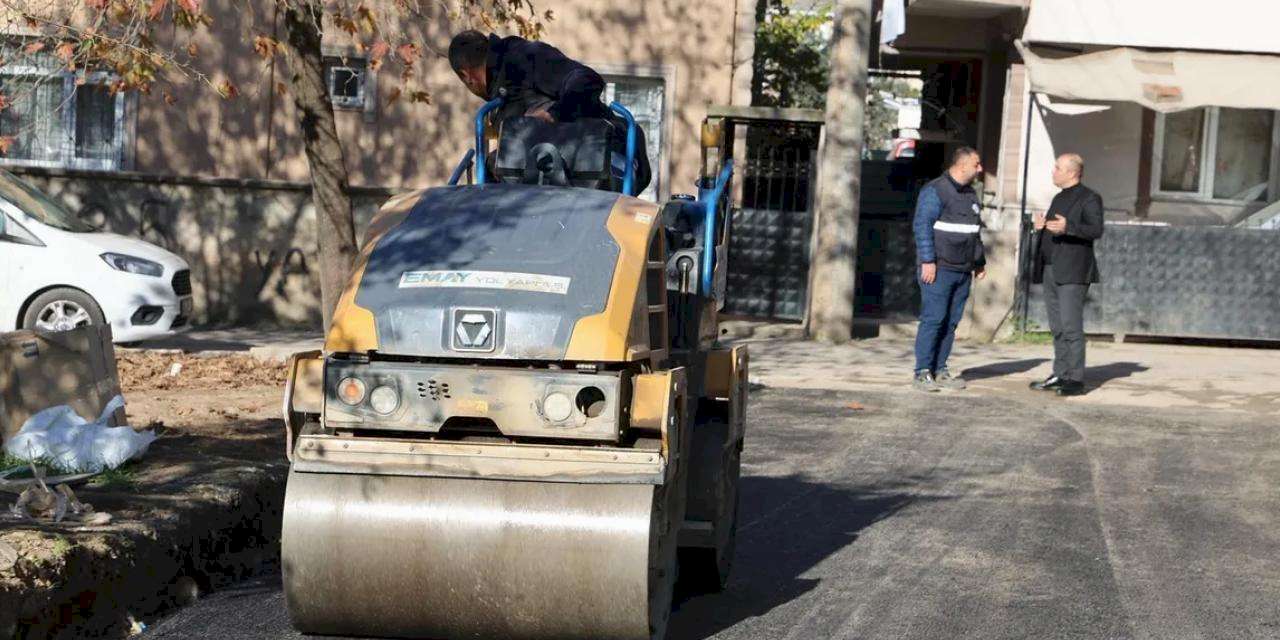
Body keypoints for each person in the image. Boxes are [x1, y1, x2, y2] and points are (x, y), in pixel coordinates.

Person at [447, 30, 650, 194]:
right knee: (494, 165)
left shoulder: (524, 58)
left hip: (610, 157)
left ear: (467, 76)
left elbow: (587, 80)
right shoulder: (501, 94)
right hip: (559, 176)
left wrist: (552, 115)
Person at [911, 147, 986, 392]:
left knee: (951, 322)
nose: (980, 169)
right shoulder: (935, 190)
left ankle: (940, 369)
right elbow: (922, 227)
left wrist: (979, 262)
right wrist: (928, 261)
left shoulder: (971, 194)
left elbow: (975, 232)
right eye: (976, 164)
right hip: (939, 268)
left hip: (963, 269)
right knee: (934, 319)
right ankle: (922, 372)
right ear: (962, 165)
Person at [1029, 153, 1104, 397]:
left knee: (1071, 326)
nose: (1053, 172)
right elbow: (1053, 230)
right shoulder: (1059, 198)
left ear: (1072, 172)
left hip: (1073, 271)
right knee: (1057, 327)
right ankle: (1060, 373)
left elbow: (1096, 229)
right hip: (1051, 269)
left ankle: (1075, 378)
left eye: (1058, 168)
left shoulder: (1089, 198)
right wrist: (1041, 227)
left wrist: (1068, 227)